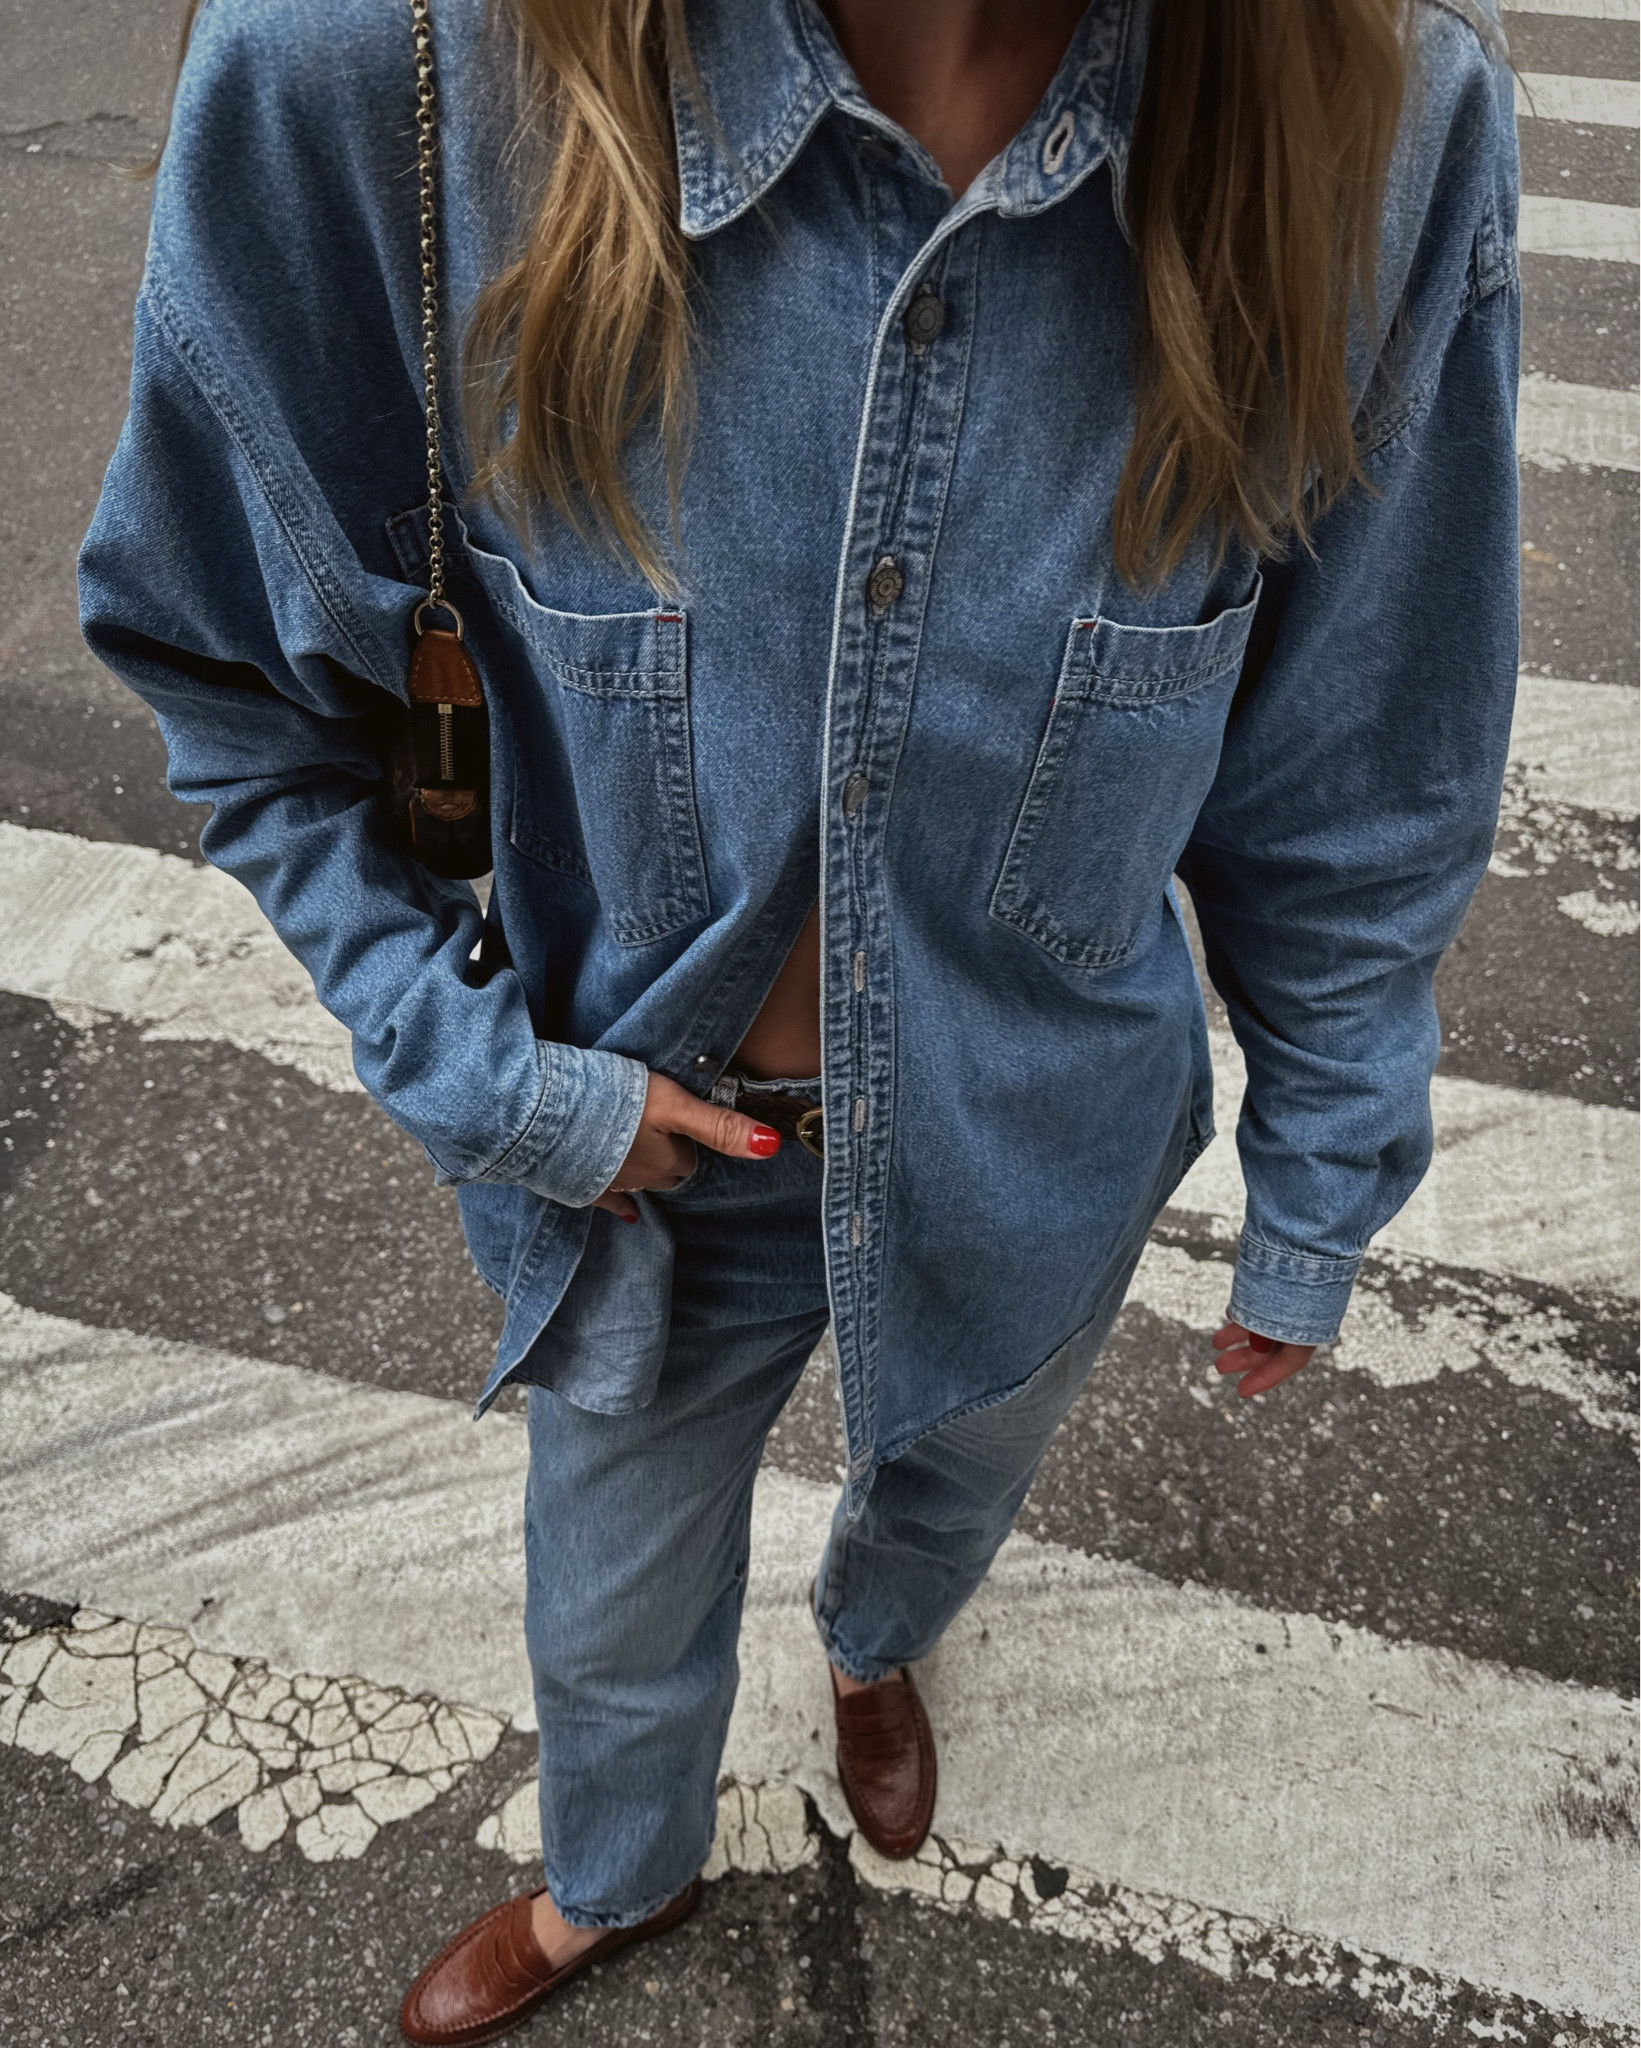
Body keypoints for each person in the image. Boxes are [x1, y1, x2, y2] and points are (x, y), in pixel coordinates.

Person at [79, 0, 1519, 2036]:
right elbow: (233, 690)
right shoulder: (376, 81)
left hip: (1037, 1134)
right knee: (606, 1606)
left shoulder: (1374, 125)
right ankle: (615, 1874)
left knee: (944, 1484)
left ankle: (873, 1641)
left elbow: (1359, 759)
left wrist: (1322, 1159)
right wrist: (494, 1078)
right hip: (645, 1166)